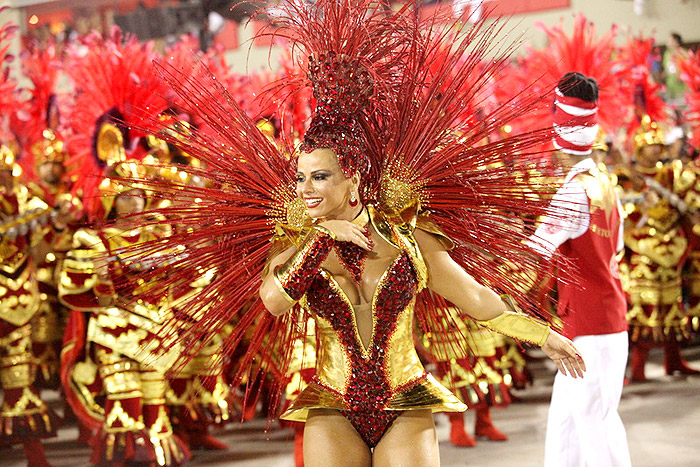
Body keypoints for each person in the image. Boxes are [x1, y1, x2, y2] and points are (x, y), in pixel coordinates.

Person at [529, 72, 631, 467]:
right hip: (597, 323)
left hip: (589, 329)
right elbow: (615, 250)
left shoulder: (573, 191)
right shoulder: (605, 184)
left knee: (594, 427)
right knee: (567, 425)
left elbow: (535, 250)